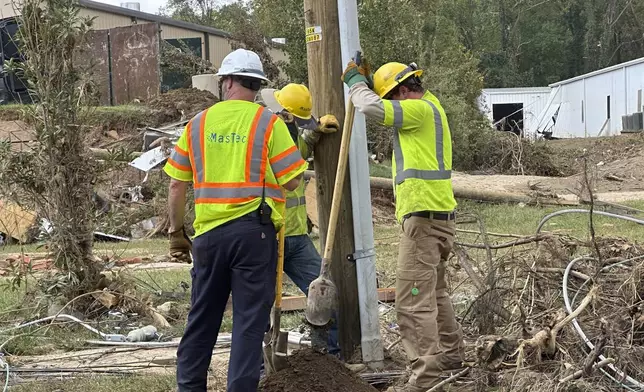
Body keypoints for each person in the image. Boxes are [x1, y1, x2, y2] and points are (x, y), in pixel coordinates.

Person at [165, 48, 308, 392]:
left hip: (208, 238)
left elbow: (175, 183)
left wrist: (175, 233)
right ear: (257, 85)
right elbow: (291, 180)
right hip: (252, 237)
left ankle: (189, 387)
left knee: (202, 318)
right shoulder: (268, 123)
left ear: (226, 81)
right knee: (248, 324)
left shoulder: (197, 124)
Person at [342, 60, 465, 391]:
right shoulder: (432, 106)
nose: (391, 105)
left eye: (391, 97)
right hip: (437, 220)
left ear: (402, 91)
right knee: (434, 293)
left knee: (411, 301)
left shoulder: (418, 110)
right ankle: (451, 359)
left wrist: (356, 83)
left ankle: (426, 379)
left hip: (423, 224)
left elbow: (369, 107)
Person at [259, 83, 341, 354]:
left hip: (294, 237)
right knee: (260, 304)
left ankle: (328, 358)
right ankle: (260, 364)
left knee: (324, 293)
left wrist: (314, 133)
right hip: (268, 235)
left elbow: (298, 153)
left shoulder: (291, 136)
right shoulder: (262, 138)